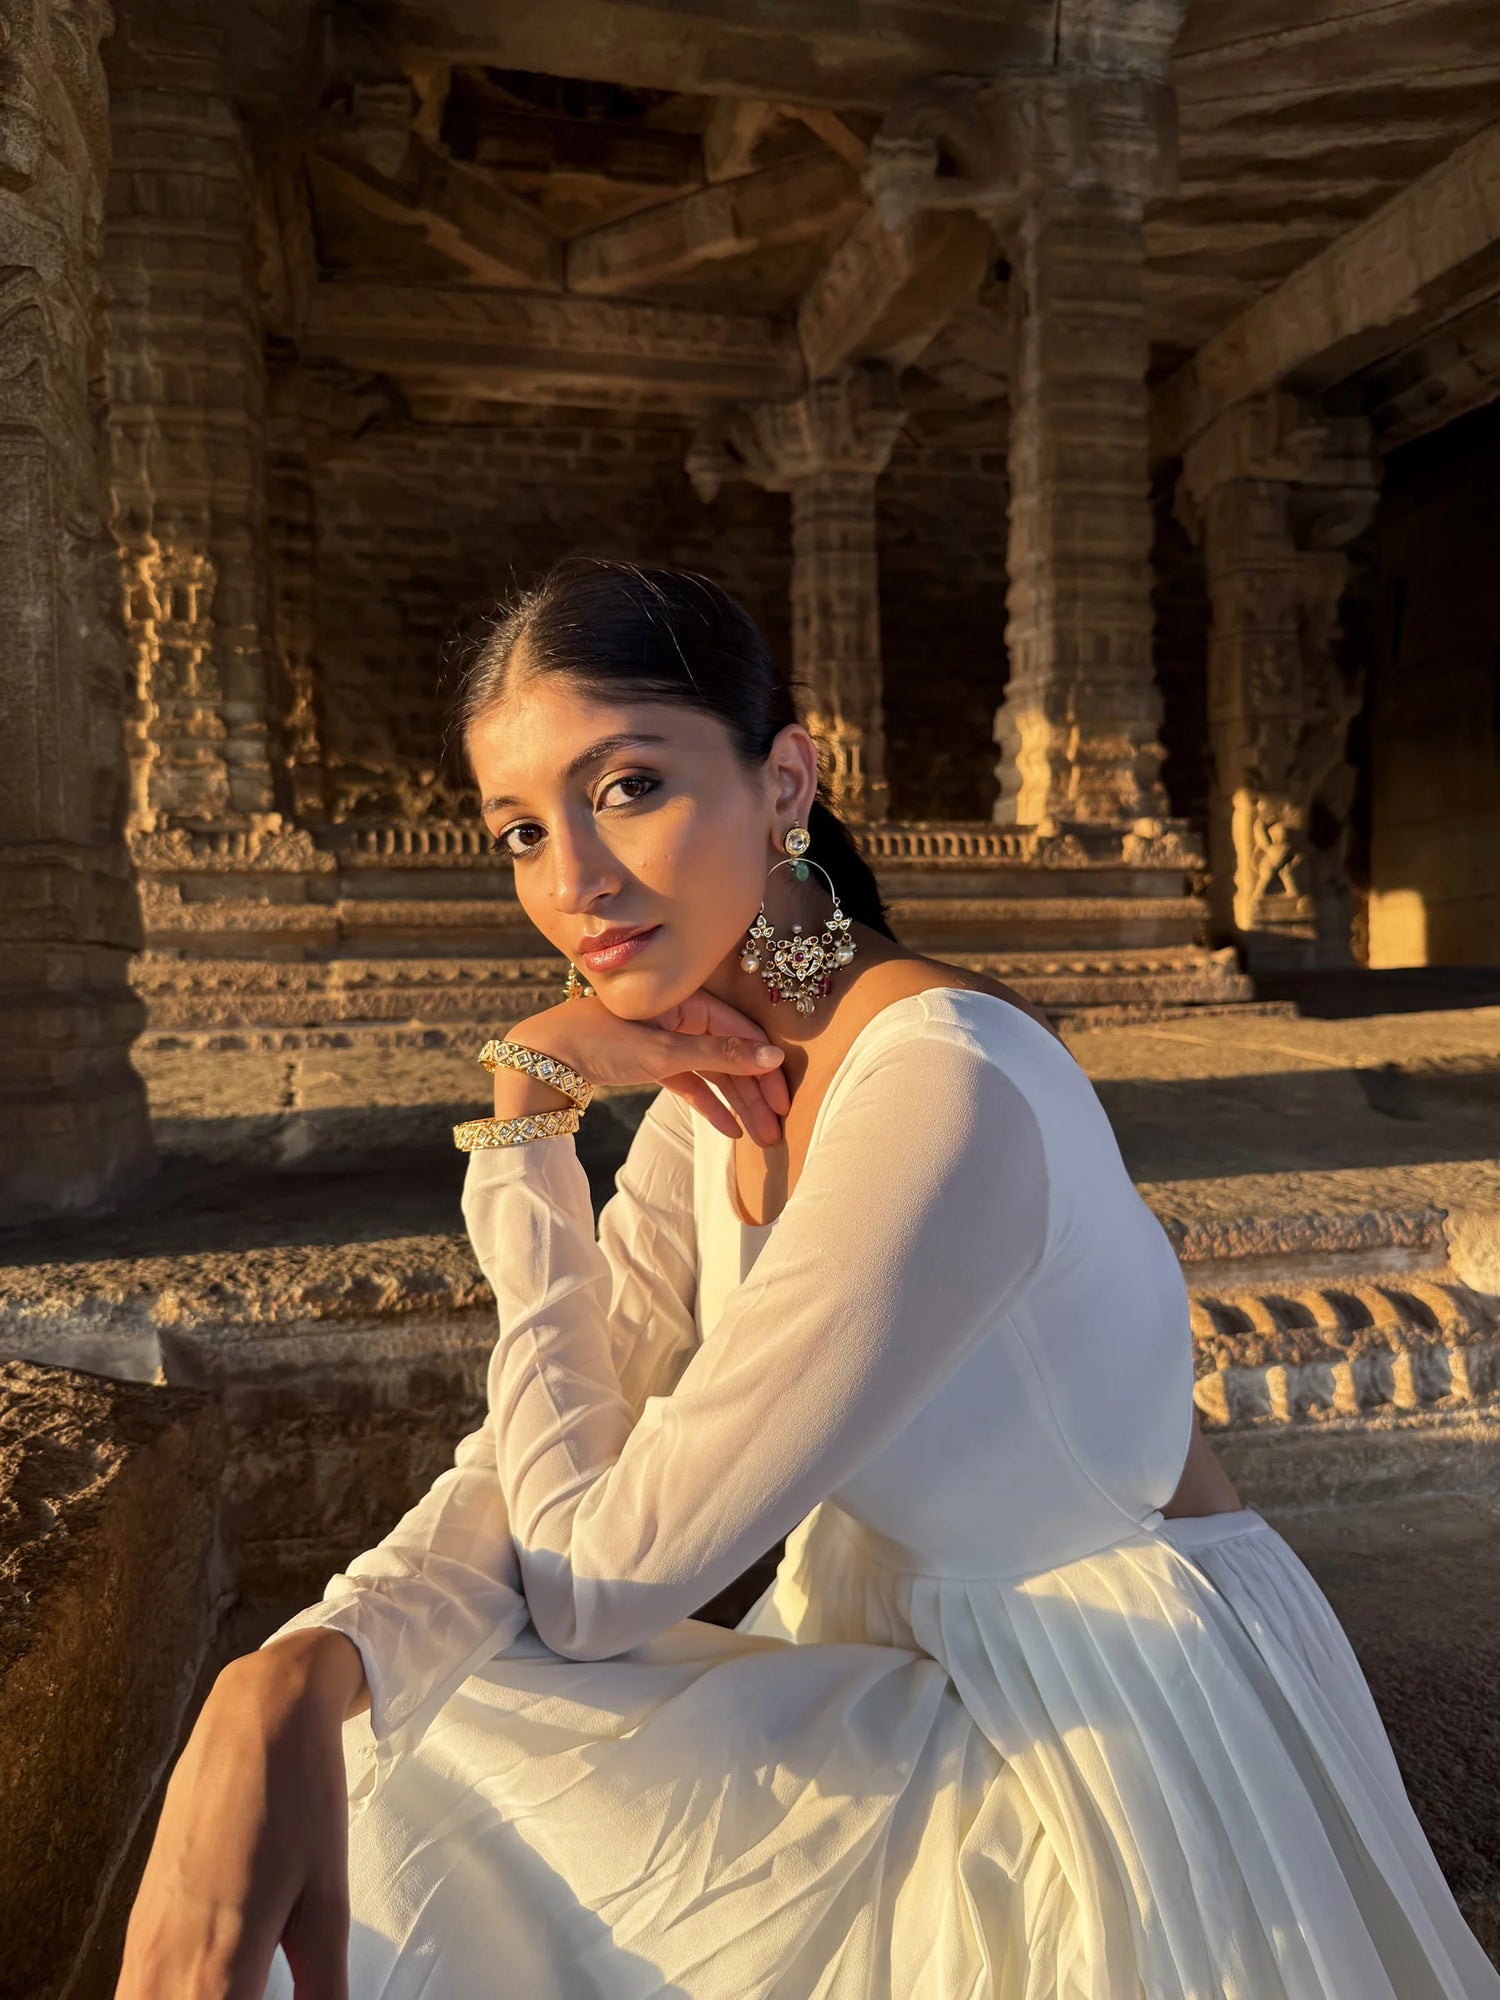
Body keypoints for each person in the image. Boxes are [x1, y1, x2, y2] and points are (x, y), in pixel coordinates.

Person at [117, 561, 1499, 2000]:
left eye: (631, 785)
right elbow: (544, 1474)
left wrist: (521, 1124)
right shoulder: (716, 1082)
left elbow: (601, 1586)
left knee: (444, 1761)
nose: (574, 880)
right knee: (379, 1729)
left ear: (785, 784)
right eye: (522, 829)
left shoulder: (939, 1089)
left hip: (1107, 1719)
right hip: (899, 1653)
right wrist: (305, 1666)